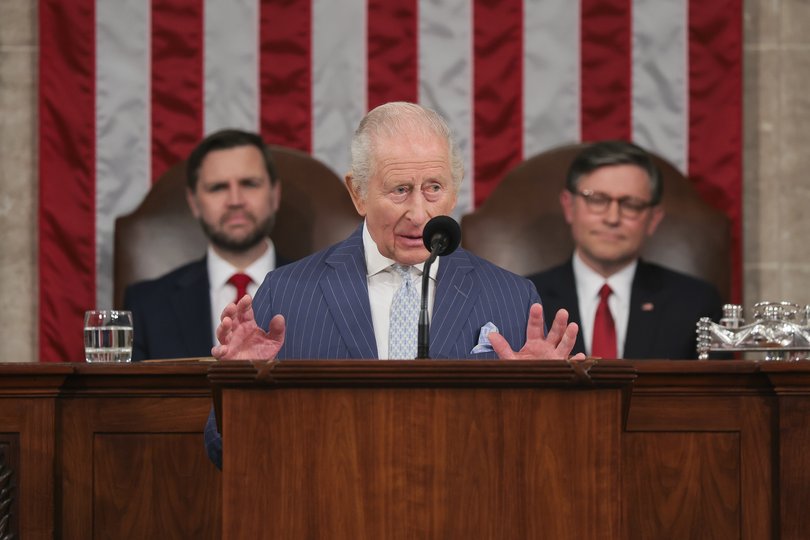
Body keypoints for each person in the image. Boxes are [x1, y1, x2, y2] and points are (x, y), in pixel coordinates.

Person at [204, 102, 584, 469]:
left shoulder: (513, 298)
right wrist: (238, 392)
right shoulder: (287, 293)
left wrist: (546, 404)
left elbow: (545, 458)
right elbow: (225, 453)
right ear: (358, 193)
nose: (419, 214)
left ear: (455, 189)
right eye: (400, 190)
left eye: (434, 188)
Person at [528, 140, 724, 359]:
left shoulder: (694, 303)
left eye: (631, 204)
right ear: (569, 206)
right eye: (597, 199)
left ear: (653, 219)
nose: (612, 218)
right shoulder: (526, 299)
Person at [124, 129, 287, 361]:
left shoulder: (321, 292)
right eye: (218, 187)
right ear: (194, 203)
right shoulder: (146, 305)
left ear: (275, 194)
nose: (235, 200)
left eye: (250, 184)